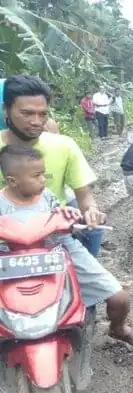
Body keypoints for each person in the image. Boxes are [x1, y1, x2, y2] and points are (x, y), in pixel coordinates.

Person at [0, 145, 133, 351]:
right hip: (11, 261)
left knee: (120, 298)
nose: (43, 180)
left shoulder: (46, 196)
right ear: (12, 181)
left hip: (58, 251)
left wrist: (78, 217)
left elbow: (64, 214)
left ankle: (118, 328)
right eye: (37, 176)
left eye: (44, 174)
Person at [0, 74, 106, 258]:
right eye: (26, 113)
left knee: (105, 281)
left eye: (42, 114)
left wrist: (91, 211)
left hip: (54, 234)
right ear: (5, 111)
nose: (36, 121)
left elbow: (85, 195)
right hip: (6, 239)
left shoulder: (64, 145)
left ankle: (85, 282)